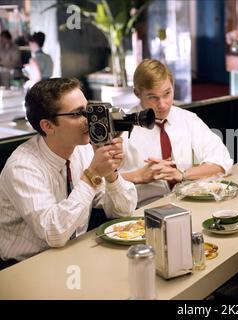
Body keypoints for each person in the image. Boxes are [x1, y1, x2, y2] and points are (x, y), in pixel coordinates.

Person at [0, 78, 137, 267]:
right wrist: (92, 175)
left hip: (74, 254)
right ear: (48, 126)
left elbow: (124, 210)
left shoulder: (83, 149)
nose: (89, 119)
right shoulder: (22, 168)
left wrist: (110, 172)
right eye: (77, 114)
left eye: (87, 110)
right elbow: (54, 233)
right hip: (27, 266)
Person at [120, 59, 233, 206]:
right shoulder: (122, 129)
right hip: (142, 212)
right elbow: (100, 185)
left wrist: (182, 175)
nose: (163, 104)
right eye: (153, 97)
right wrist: (138, 176)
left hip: (186, 204)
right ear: (137, 94)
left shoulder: (187, 119)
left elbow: (222, 162)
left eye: (167, 93)